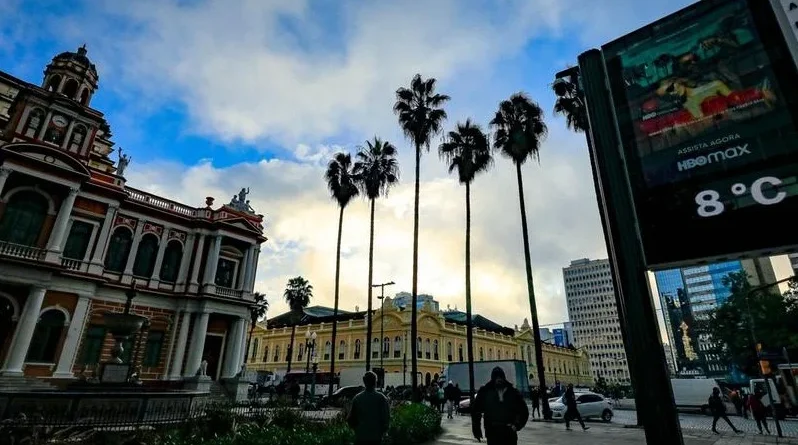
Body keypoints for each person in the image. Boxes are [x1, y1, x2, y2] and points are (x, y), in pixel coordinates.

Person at [471, 367, 529, 445]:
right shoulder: (485, 392)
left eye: (500, 377)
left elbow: (524, 411)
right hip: (492, 432)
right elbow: (476, 411)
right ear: (493, 379)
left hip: (509, 432)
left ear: (503, 378)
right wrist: (477, 430)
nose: (498, 379)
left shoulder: (512, 392)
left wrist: (517, 425)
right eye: (496, 377)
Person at [348, 371, 391, 445]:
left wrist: (357, 430)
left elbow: (350, 418)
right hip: (376, 437)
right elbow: (386, 418)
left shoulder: (357, 398)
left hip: (361, 436)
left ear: (364, 381)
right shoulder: (381, 398)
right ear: (375, 382)